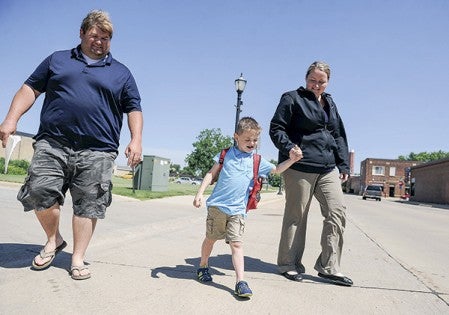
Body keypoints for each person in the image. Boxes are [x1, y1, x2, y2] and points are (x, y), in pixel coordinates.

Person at [0, 10, 143, 280]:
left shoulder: (121, 73)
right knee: (39, 191)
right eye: (94, 36)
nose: (100, 42)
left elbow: (134, 108)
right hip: (53, 142)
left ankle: (77, 258)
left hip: (98, 149)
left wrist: (136, 139)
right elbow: (30, 89)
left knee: (89, 205)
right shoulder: (58, 60)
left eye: (106, 38)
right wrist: (10, 119)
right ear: (81, 34)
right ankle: (53, 239)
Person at [193, 117, 302, 298]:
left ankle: (240, 282)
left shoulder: (257, 161)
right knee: (210, 239)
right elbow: (211, 173)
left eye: (255, 140)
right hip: (217, 207)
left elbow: (276, 169)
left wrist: (291, 160)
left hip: (238, 210)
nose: (252, 143)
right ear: (236, 137)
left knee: (236, 244)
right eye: (247, 140)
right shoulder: (225, 154)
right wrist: (199, 194)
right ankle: (203, 265)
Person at [269, 61, 353, 286]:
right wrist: (289, 148)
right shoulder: (292, 98)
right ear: (306, 78)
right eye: (312, 80)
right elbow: (276, 128)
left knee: (337, 212)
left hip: (327, 168)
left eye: (321, 82)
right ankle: (288, 264)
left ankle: (329, 267)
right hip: (300, 166)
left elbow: (338, 135)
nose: (316, 85)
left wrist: (343, 164)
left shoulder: (330, 103)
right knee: (297, 216)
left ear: (328, 82)